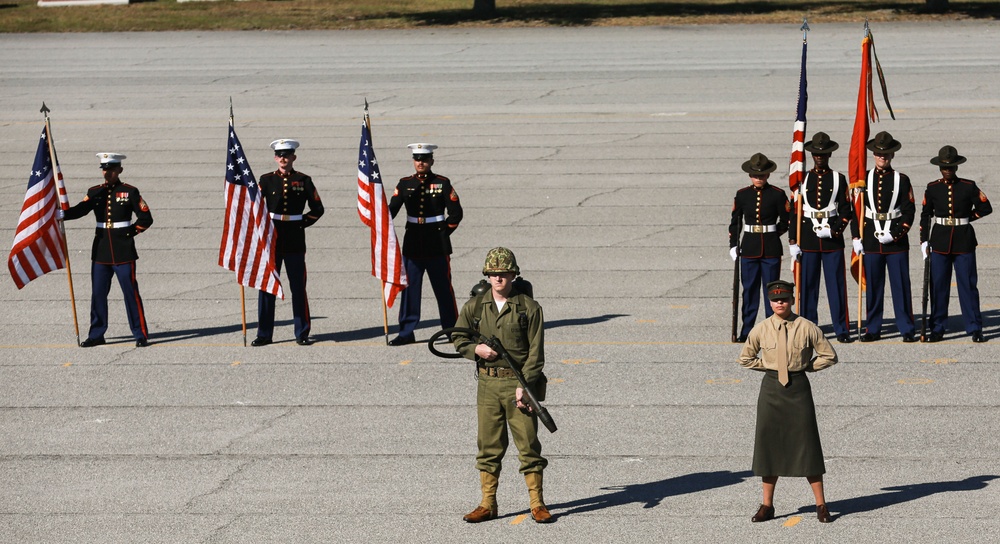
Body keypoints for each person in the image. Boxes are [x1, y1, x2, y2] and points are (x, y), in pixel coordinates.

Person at [452, 248, 551, 524]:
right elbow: (458, 338)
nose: (498, 279)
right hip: (488, 385)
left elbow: (536, 353)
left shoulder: (529, 308)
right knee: (488, 446)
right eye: (493, 274)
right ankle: (487, 503)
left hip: (518, 384)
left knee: (528, 445)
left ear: (513, 275)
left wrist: (526, 385)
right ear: (487, 275)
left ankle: (537, 503)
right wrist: (476, 350)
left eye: (504, 274)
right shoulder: (475, 306)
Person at [738, 280, 837, 524]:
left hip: (798, 389)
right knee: (768, 447)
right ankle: (767, 505)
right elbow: (745, 358)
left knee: (808, 445)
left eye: (784, 299)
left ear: (792, 300)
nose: (780, 302)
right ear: (769, 301)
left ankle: (821, 505)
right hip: (771, 390)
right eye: (775, 299)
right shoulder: (761, 329)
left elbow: (829, 355)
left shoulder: (807, 327)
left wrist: (806, 367)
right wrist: (771, 367)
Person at [63, 153, 153, 348]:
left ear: (119, 170)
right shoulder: (95, 192)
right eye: (104, 169)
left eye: (111, 169)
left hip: (123, 251)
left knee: (130, 293)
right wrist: (62, 214)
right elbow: (81, 210)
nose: (107, 173)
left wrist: (129, 234)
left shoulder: (129, 191)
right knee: (98, 294)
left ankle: (140, 334)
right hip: (101, 251)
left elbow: (146, 218)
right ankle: (96, 334)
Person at [388, 143, 463, 346]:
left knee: (444, 289)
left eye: (424, 159)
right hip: (413, 243)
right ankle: (406, 332)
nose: (420, 163)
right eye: (417, 159)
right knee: (409, 290)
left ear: (431, 161)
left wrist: (443, 233)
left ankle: (451, 331)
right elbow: (391, 211)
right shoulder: (405, 184)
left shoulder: (442, 183)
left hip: (437, 244)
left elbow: (456, 213)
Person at [252, 139, 324, 347]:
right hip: (272, 237)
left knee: (298, 287)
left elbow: (318, 209)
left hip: (294, 237)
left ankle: (302, 332)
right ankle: (264, 333)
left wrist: (301, 223)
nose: (283, 158)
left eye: (287, 154)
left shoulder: (304, 180)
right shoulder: (266, 180)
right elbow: (255, 206)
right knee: (267, 287)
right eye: (279, 155)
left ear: (294, 157)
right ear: (275, 158)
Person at [919, 145, 992, 343]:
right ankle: (938, 327)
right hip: (940, 241)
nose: (948, 170)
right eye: (945, 167)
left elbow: (985, 207)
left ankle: (974, 327)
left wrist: (968, 217)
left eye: (951, 167)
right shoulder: (933, 188)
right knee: (938, 287)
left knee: (968, 286)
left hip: (963, 241)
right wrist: (924, 240)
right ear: (940, 168)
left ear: (957, 167)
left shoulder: (968, 186)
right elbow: (926, 215)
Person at [850, 131, 917, 342]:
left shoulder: (902, 180)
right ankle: (873, 328)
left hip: (895, 242)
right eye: (879, 153)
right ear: (873, 154)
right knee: (874, 288)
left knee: (901, 287)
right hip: (870, 239)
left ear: (892, 156)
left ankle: (906, 327)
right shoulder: (864, 180)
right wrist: (856, 238)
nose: (882, 157)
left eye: (886, 154)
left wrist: (896, 234)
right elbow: (855, 211)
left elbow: (909, 210)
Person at [788, 133, 854, 343]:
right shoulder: (802, 178)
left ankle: (841, 328)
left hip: (831, 240)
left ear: (829, 154)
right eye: (816, 153)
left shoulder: (838, 179)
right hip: (807, 238)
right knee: (807, 287)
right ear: (811, 154)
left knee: (836, 286)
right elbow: (795, 213)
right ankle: (808, 328)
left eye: (823, 154)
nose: (819, 157)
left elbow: (846, 211)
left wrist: (834, 231)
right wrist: (792, 240)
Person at [729, 152, 790, 342]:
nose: (758, 178)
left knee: (771, 292)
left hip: (770, 248)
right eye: (755, 175)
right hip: (749, 247)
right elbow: (735, 222)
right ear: (750, 176)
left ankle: (772, 329)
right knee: (749, 291)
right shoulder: (742, 195)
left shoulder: (777, 195)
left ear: (768, 175)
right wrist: (733, 244)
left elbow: (787, 220)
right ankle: (747, 330)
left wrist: (773, 233)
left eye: (762, 175)